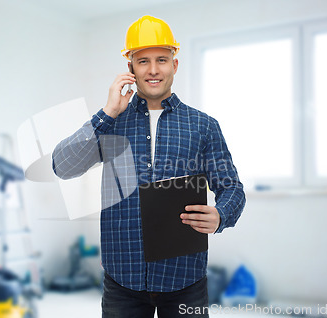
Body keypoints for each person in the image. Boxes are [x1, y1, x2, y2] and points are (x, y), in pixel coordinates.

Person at [52, 15, 245, 318]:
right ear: (130, 67)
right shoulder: (110, 124)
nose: (153, 70)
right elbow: (62, 166)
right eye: (142, 61)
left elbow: (232, 187)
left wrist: (221, 215)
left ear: (175, 65)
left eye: (162, 60)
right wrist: (107, 112)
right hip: (122, 281)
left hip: (184, 279)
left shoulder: (203, 126)